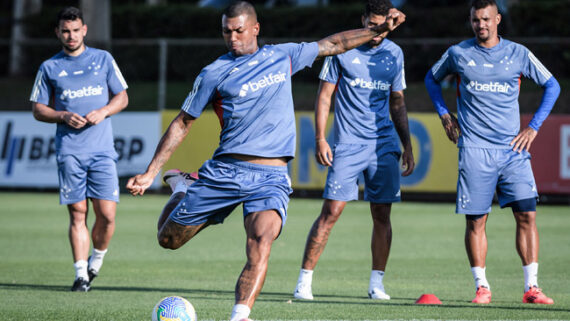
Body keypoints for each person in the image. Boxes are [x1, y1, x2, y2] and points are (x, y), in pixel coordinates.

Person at [126, 1, 405, 320]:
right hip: (225, 171)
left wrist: (377, 30)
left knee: (261, 241)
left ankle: (240, 315)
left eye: (239, 31)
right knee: (168, 239)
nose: (232, 38)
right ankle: (182, 188)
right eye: (226, 32)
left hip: (270, 177)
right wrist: (151, 172)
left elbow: (334, 43)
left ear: (255, 29)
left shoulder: (281, 55)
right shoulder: (214, 72)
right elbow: (182, 122)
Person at [424, 0, 559, 305]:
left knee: (527, 214)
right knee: (476, 221)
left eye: (486, 19)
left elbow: (552, 86)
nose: (480, 25)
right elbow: (431, 78)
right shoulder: (458, 53)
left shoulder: (519, 54)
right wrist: (445, 114)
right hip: (474, 149)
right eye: (475, 20)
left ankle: (531, 288)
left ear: (497, 19)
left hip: (513, 150)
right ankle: (482, 286)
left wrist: (533, 127)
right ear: (470, 21)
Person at [293, 0, 414, 301]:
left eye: (381, 25)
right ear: (363, 20)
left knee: (382, 213)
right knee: (331, 212)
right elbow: (325, 96)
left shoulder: (394, 54)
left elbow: (397, 102)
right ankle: (304, 281)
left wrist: (407, 145)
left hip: (383, 144)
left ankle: (377, 284)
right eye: (371, 25)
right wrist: (321, 138)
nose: (376, 32)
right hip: (348, 143)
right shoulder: (343, 48)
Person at [30, 6, 129, 292]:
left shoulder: (103, 59)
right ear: (57, 33)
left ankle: (96, 260)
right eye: (65, 31)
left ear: (84, 30)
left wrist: (104, 111)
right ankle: (81, 274)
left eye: (75, 30)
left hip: (101, 151)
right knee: (77, 212)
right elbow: (37, 109)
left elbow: (122, 97)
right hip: (69, 150)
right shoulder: (49, 67)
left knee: (107, 215)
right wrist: (61, 115)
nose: (71, 36)